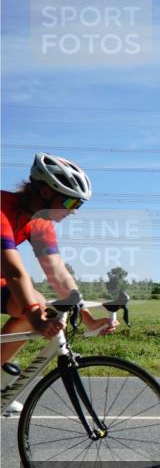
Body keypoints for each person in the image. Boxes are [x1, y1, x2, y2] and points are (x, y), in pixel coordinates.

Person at [2, 153, 117, 415]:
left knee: (38, 304)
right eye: (70, 200)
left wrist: (86, 316)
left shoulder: (39, 221)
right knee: (33, 308)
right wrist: (35, 318)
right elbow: (13, 270)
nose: (73, 210)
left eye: (79, 204)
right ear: (44, 191)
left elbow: (56, 271)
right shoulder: (1, 208)